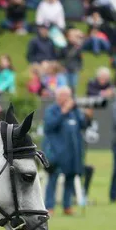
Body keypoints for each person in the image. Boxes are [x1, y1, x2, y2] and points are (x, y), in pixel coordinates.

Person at [42, 86, 88, 215]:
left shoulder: (75, 111)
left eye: (69, 96)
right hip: (57, 152)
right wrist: (63, 112)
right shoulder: (52, 110)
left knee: (70, 178)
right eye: (64, 95)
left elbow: (83, 125)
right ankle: (49, 206)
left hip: (72, 152)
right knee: (53, 178)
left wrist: (86, 114)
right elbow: (49, 126)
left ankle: (67, 206)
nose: (67, 98)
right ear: (58, 97)